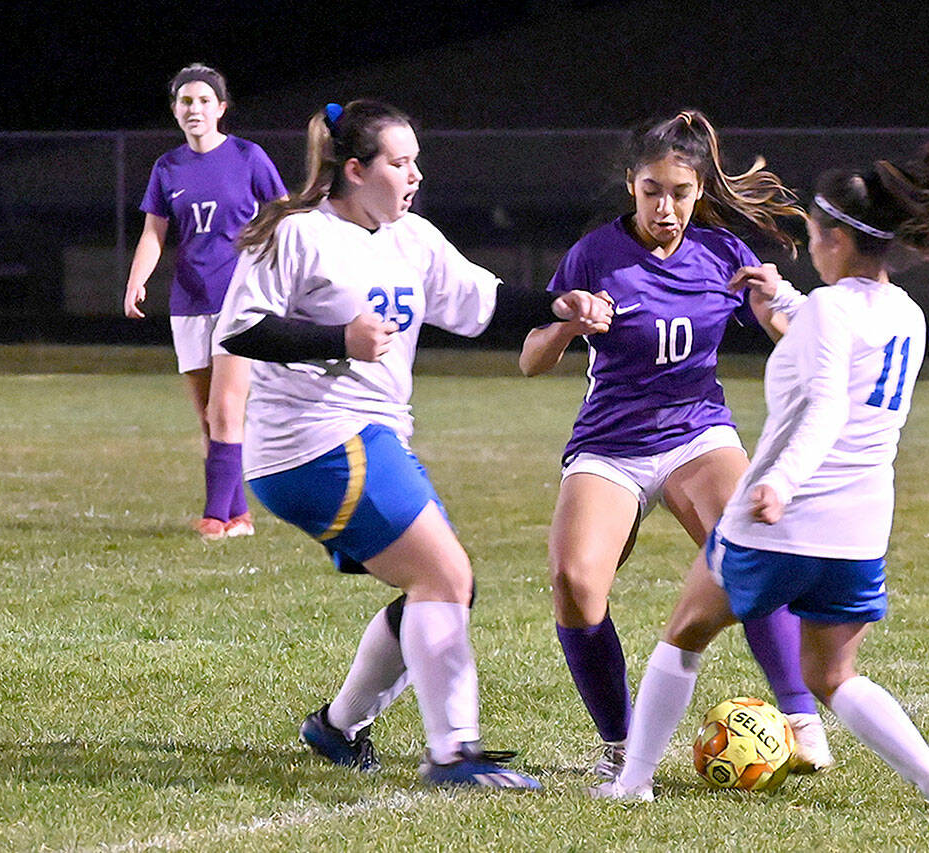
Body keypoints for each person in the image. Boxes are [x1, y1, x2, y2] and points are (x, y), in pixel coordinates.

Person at [214, 99, 612, 789]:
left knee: (444, 582)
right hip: (312, 443)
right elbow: (241, 331)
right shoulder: (298, 233)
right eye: (400, 163)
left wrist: (559, 305)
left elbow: (482, 301)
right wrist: (340, 339)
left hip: (368, 439)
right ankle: (452, 752)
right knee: (444, 577)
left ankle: (338, 727)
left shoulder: (410, 238)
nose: (414, 174)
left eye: (416, 162)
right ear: (356, 169)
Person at [590, 138, 929, 805]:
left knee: (684, 635)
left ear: (834, 237)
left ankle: (631, 784)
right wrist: (781, 297)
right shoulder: (905, 315)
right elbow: (836, 339)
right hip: (858, 535)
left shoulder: (834, 310)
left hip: (780, 522)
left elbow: (827, 403)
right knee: (833, 675)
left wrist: (780, 481)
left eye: (811, 235)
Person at [518, 109, 832, 780]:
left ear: (700, 192)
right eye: (652, 190)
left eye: (681, 192)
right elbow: (530, 359)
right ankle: (621, 744)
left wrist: (781, 301)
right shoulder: (594, 254)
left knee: (753, 551)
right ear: (632, 185)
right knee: (575, 584)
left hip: (698, 432)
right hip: (611, 443)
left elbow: (791, 333)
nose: (666, 206)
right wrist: (568, 325)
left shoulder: (723, 254)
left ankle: (801, 719)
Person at [123, 63, 288, 541]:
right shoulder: (167, 167)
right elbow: (154, 233)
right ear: (176, 110)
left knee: (227, 409)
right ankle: (238, 515)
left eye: (202, 101)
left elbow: (281, 219)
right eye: (184, 101)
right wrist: (137, 280)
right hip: (188, 299)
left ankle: (215, 516)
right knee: (208, 418)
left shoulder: (248, 156)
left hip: (241, 301)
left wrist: (281, 276)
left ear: (220, 108)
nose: (193, 109)